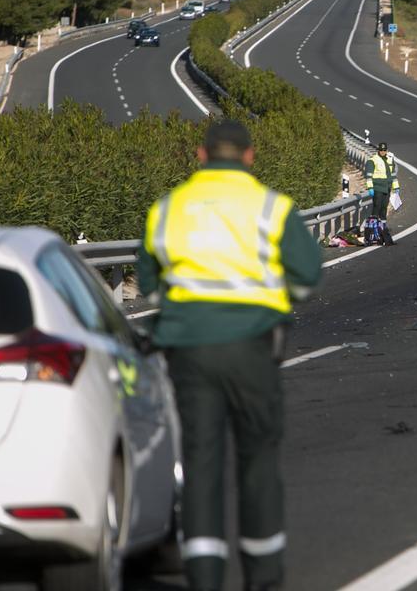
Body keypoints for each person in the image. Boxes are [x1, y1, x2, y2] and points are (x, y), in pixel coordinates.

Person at [138, 120, 322, 591]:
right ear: (249, 157)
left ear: (200, 156)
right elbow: (305, 278)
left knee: (201, 464)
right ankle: (263, 579)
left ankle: (205, 579)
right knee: (258, 461)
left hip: (189, 354)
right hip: (253, 349)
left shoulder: (167, 209)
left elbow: (149, 287)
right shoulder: (271, 208)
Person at [364, 141, 399, 245]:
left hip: (387, 188)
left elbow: (393, 175)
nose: (383, 152)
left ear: (386, 150)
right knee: (376, 207)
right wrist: (370, 187)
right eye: (381, 150)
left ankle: (383, 229)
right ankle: (373, 231)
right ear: (378, 150)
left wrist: (396, 187)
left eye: (384, 150)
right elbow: (369, 176)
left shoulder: (390, 160)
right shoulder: (372, 160)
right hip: (377, 187)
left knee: (384, 208)